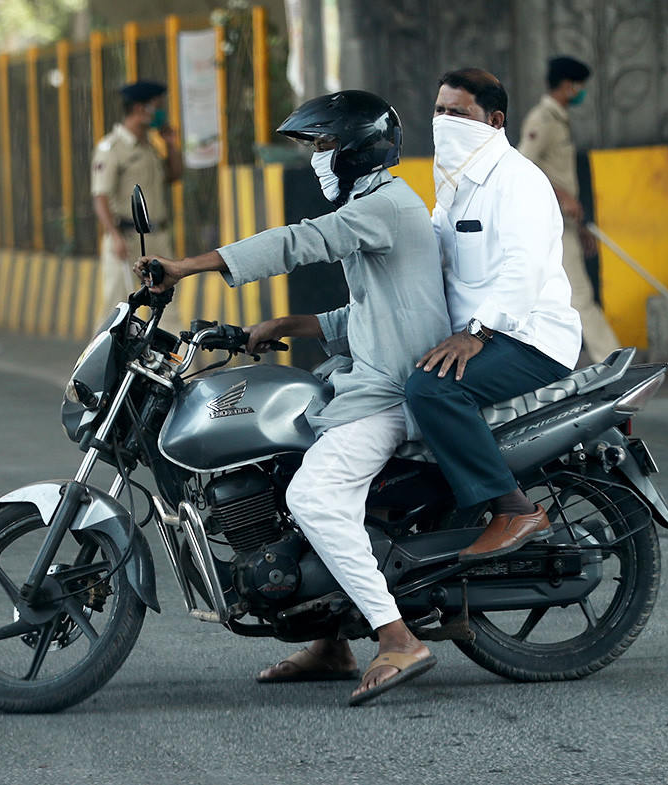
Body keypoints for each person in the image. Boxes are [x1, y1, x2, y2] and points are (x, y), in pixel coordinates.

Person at [136, 90, 450, 706]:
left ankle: (398, 637)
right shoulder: (374, 202)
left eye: (325, 145)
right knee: (285, 478)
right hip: (369, 375)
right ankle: (332, 640)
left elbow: (298, 242)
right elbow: (370, 310)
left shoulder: (384, 205)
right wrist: (285, 325)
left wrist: (188, 267)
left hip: (392, 392)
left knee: (313, 494)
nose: (317, 157)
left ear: (360, 148)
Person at [406, 68, 582, 563]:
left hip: (528, 337)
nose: (443, 121)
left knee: (431, 388)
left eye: (456, 113)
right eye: (438, 111)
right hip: (480, 335)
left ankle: (514, 508)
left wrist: (476, 334)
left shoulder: (518, 180)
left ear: (494, 119)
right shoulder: (455, 185)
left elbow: (522, 273)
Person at [519, 56, 621, 365]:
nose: (581, 93)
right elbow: (523, 167)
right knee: (580, 298)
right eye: (580, 87)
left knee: (568, 297)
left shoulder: (559, 118)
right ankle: (613, 361)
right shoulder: (543, 120)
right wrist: (562, 195)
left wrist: (580, 226)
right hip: (551, 224)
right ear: (568, 86)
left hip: (566, 224)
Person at [92, 80, 182, 325]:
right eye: (157, 106)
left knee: (166, 309)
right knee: (118, 310)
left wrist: (171, 144)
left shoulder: (148, 146)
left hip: (157, 236)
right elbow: (100, 197)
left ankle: (177, 364)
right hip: (126, 238)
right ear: (140, 109)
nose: (161, 112)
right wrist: (114, 236)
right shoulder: (112, 147)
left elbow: (173, 175)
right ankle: (102, 363)